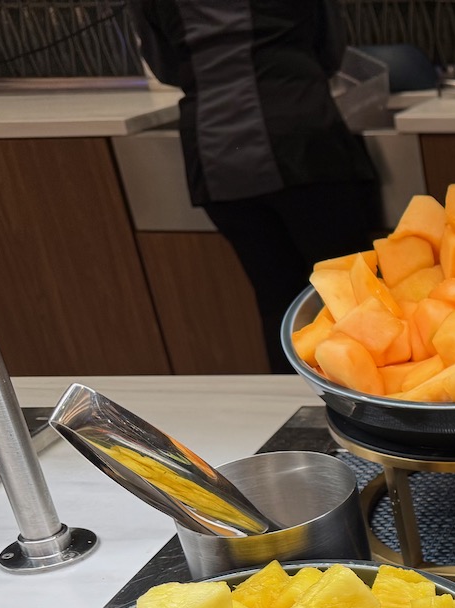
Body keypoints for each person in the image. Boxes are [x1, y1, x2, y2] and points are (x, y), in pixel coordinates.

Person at [131, 0, 381, 373]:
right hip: (300, 136)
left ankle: (297, 415)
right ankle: (375, 409)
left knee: (277, 299)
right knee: (352, 292)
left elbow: (166, 65)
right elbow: (329, 50)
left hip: (218, 156)